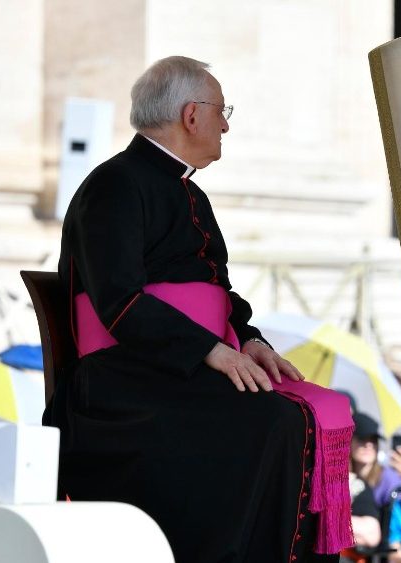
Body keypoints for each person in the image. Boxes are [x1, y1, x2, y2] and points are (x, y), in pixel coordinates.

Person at [49, 56, 354, 563]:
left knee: (324, 406)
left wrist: (250, 341)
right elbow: (119, 302)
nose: (226, 124)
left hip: (183, 369)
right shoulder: (113, 185)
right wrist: (208, 350)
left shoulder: (192, 193)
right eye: (221, 110)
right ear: (192, 115)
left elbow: (221, 291)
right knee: (277, 421)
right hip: (126, 380)